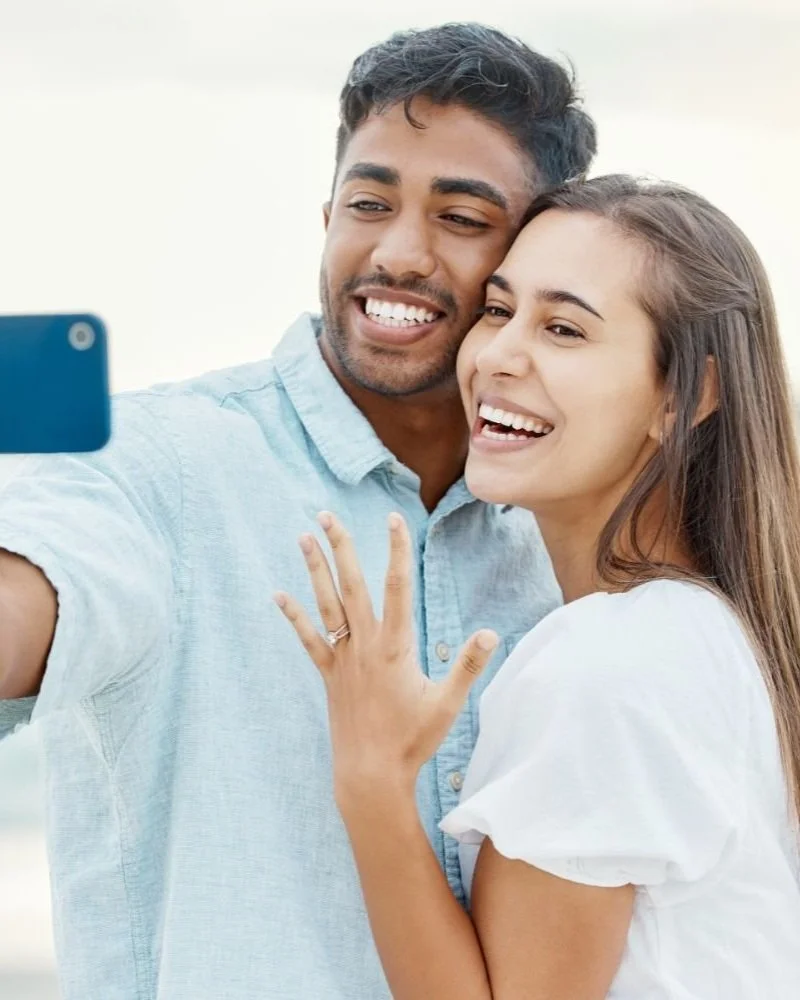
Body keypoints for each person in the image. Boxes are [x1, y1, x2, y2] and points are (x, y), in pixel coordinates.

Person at [0, 23, 596, 1000]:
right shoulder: (162, 463)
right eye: (368, 202)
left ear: (531, 255)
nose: (397, 253)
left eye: (459, 217)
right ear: (326, 215)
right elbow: (41, 582)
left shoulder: (562, 534)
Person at [277, 174, 800, 999]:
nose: (496, 355)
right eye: (497, 309)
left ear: (686, 395)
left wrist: (373, 781)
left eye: (562, 328)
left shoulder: (606, 661)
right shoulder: (718, 634)